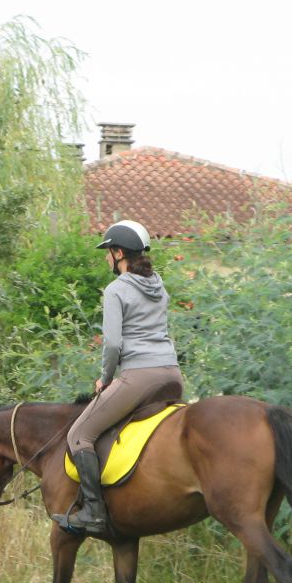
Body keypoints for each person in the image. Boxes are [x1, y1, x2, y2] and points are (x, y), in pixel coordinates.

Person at [53, 219, 184, 536]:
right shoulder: (159, 285)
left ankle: (93, 512)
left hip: (139, 376)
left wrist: (105, 378)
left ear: (118, 253)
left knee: (79, 434)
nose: (105, 258)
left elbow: (112, 344)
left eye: (107, 252)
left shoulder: (116, 290)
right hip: (172, 374)